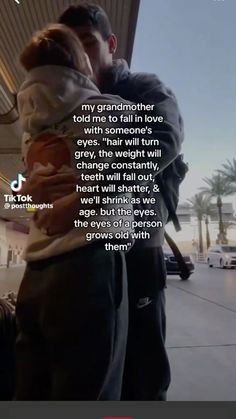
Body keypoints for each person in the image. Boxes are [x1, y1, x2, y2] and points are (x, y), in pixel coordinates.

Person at [22, 3, 184, 400]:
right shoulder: (49, 104)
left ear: (111, 45)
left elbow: (162, 140)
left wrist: (83, 199)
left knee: (141, 370)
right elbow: (30, 175)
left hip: (133, 246)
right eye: (71, 44)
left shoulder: (141, 90)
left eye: (89, 44)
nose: (79, 54)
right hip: (64, 259)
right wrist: (28, 194)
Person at [15, 23, 137, 400]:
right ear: (82, 64)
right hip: (91, 268)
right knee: (89, 392)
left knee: (31, 388)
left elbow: (17, 200)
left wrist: (27, 193)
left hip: (34, 275)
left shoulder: (31, 133)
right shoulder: (111, 110)